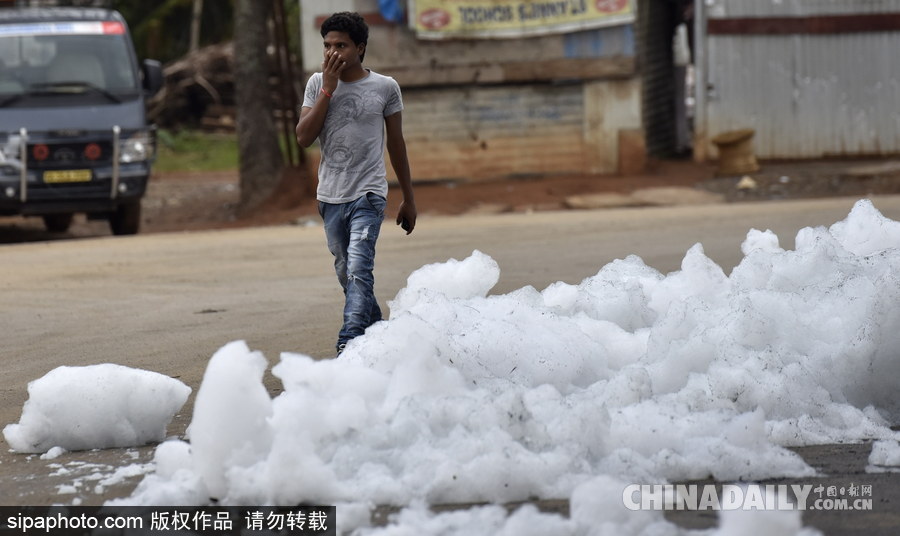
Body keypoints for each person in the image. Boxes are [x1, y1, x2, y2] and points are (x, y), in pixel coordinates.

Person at [296, 11, 417, 356]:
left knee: (359, 267)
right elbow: (304, 137)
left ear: (360, 48)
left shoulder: (385, 87)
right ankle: (378, 330)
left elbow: (397, 144)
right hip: (331, 195)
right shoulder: (318, 84)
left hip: (369, 193)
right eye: (327, 45)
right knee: (345, 271)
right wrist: (328, 92)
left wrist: (408, 197)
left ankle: (349, 339)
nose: (333, 52)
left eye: (342, 45)